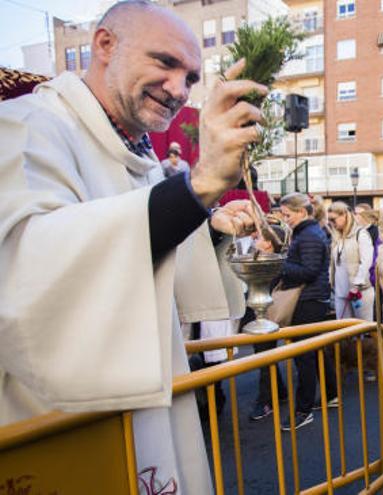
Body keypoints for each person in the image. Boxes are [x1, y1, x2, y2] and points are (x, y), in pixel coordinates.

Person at [0, 1, 266, 491]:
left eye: (190, 77)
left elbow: (152, 253)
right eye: (165, 63)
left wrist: (206, 220)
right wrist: (200, 183)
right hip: (65, 417)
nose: (178, 89)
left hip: (147, 393)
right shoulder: (27, 126)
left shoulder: (138, 155)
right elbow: (29, 266)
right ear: (104, 45)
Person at [252, 192, 334, 430]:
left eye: (287, 214)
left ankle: (303, 410)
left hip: (308, 300)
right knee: (311, 354)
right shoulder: (308, 232)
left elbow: (308, 271)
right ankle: (327, 396)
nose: (284, 219)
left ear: (301, 212)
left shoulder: (308, 235)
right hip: (310, 299)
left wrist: (276, 261)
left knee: (304, 358)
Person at [327, 201, 375, 322]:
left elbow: (366, 262)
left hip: (360, 293)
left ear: (344, 215)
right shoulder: (336, 237)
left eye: (333, 219)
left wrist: (357, 285)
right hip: (340, 293)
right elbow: (334, 264)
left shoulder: (361, 234)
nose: (331, 223)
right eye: (329, 220)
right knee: (343, 332)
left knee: (363, 330)